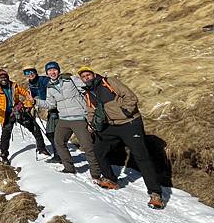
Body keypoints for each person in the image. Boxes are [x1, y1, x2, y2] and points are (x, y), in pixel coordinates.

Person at [78, 66, 165, 210]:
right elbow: (91, 111)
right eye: (83, 76)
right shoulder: (89, 93)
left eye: (88, 74)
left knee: (141, 156)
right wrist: (91, 124)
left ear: (94, 74)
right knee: (99, 150)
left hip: (129, 123)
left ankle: (155, 194)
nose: (86, 78)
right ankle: (111, 180)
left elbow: (130, 96)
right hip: (111, 126)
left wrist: (125, 113)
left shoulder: (109, 82)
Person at [36, 61, 101, 180]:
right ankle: (69, 167)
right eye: (49, 70)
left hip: (79, 118)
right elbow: (51, 104)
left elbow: (87, 90)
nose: (52, 72)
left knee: (87, 146)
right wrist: (35, 101)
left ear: (58, 70)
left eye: (54, 69)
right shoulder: (49, 87)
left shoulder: (71, 79)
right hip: (64, 119)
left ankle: (96, 173)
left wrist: (90, 114)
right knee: (58, 142)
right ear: (47, 73)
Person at [0, 68, 50, 163]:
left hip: (19, 110)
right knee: (6, 135)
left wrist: (28, 104)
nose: (3, 79)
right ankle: (4, 154)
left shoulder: (14, 86)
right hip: (6, 115)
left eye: (5, 77)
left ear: (7, 77)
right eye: (1, 78)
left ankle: (41, 148)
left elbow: (26, 94)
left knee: (34, 127)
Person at [23, 65, 61, 163]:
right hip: (50, 107)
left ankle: (59, 155)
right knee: (52, 132)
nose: (30, 75)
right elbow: (33, 95)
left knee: (51, 132)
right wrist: (29, 106)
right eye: (26, 73)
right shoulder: (31, 83)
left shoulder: (44, 80)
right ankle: (59, 154)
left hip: (56, 108)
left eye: (31, 72)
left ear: (36, 72)